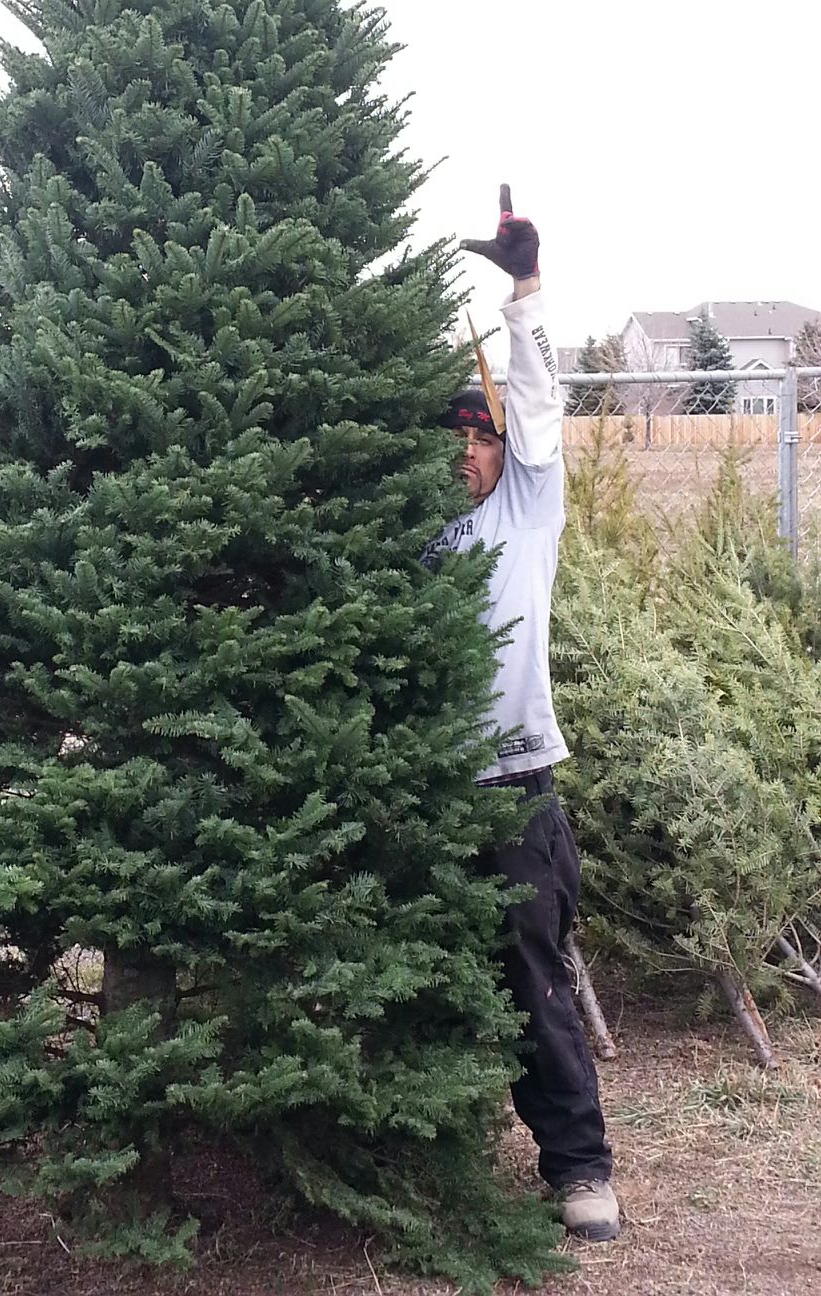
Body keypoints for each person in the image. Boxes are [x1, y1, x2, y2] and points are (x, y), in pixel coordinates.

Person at [426, 185, 619, 1242]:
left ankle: (581, 1170)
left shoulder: (525, 511)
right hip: (427, 795)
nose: (467, 452)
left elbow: (541, 403)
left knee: (533, 981)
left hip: (511, 795)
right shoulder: (427, 540)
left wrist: (526, 288)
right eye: (454, 438)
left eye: (480, 437)